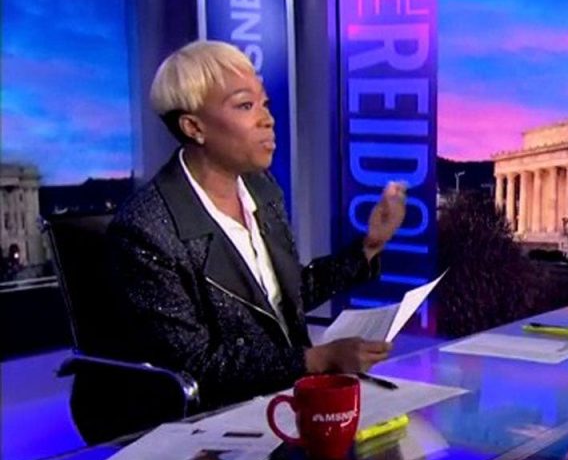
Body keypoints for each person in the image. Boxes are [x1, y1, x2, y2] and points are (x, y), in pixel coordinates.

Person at [106, 40, 406, 411]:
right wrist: (316, 360)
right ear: (194, 126)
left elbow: (285, 294)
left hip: (285, 395)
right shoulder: (146, 230)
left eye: (264, 104)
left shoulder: (261, 189)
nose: (268, 119)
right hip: (218, 415)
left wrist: (370, 246)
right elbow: (195, 365)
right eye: (245, 106)